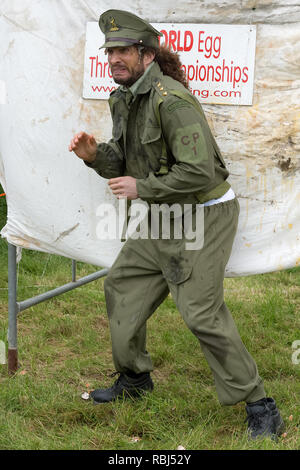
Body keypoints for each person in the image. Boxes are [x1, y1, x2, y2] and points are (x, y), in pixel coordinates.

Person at [69, 9, 284, 440]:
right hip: (166, 212)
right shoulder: (124, 98)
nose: (114, 59)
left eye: (123, 51)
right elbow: (130, 163)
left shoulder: (172, 100)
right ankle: (134, 381)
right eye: (109, 51)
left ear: (146, 55)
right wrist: (96, 157)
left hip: (204, 213)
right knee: (122, 284)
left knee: (200, 311)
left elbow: (200, 172)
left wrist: (141, 187)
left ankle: (261, 405)